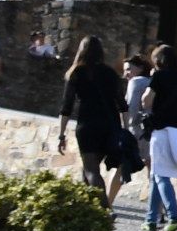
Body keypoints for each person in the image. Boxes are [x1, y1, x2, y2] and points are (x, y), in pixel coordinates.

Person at [55, 35, 133, 203]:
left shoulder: (76, 72)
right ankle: (87, 210)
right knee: (88, 172)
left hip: (88, 125)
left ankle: (105, 208)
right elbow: (123, 105)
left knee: (91, 171)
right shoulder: (111, 73)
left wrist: (61, 135)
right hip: (110, 126)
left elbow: (66, 107)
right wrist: (124, 130)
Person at [142, 44, 177, 231]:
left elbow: (146, 100)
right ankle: (151, 219)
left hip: (162, 129)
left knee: (160, 175)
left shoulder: (159, 76)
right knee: (158, 173)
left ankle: (174, 216)